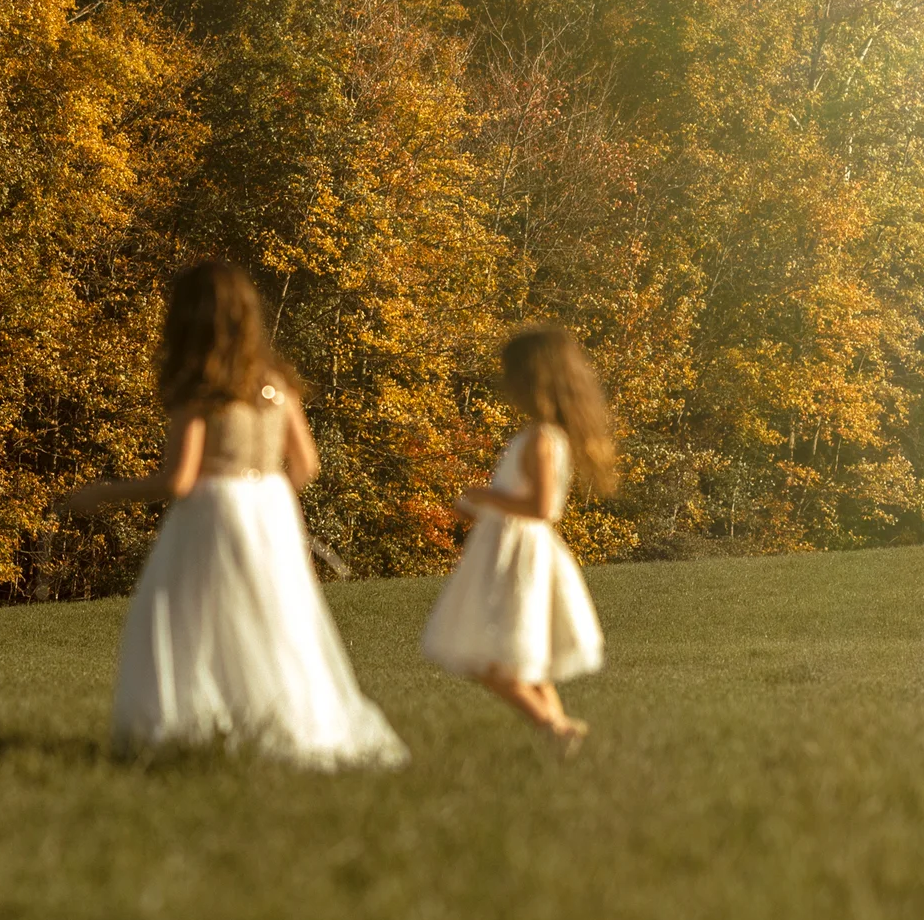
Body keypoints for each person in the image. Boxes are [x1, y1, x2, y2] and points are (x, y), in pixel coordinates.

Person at [60, 260, 407, 768]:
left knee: (186, 618)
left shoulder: (200, 390)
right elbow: (306, 465)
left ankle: (181, 733)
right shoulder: (277, 385)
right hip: (271, 508)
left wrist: (100, 494)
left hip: (212, 512)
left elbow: (178, 479)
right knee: (276, 618)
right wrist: (266, 497)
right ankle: (295, 729)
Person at [420, 324, 616, 754]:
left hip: (519, 555)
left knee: (491, 659)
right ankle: (561, 733)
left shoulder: (541, 440)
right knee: (521, 656)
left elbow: (542, 507)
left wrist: (481, 496)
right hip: (507, 549)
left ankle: (555, 728)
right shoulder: (540, 436)